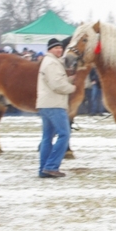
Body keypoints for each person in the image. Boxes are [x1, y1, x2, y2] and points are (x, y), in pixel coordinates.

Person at [36, 38, 76, 178]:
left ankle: (43, 169)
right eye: (55, 48)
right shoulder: (52, 63)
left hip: (46, 104)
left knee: (47, 137)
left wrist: (71, 79)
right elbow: (57, 85)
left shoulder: (50, 62)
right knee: (64, 134)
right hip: (54, 105)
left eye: (60, 48)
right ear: (49, 50)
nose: (59, 50)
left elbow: (57, 81)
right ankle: (51, 166)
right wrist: (73, 87)